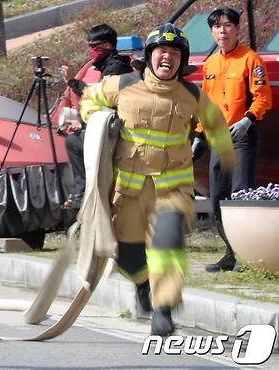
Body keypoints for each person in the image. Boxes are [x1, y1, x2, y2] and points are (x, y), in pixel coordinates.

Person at [79, 23, 234, 336]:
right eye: (162, 51)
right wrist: (97, 121)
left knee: (167, 246)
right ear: (149, 56)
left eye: (175, 53)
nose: (168, 57)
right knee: (127, 255)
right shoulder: (121, 84)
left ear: (182, 59)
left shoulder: (191, 94)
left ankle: (163, 310)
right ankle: (142, 283)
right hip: (128, 191)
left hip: (172, 191)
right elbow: (89, 100)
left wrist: (222, 156)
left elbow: (217, 124)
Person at [192, 8, 272, 272]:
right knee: (218, 199)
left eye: (227, 25)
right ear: (212, 32)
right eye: (216, 27)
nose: (222, 31)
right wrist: (199, 134)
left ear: (237, 29)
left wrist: (248, 119)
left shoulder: (251, 60)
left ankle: (247, 257)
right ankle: (230, 254)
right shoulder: (211, 63)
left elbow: (263, 97)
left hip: (242, 137)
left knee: (240, 197)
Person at [55, 24, 133, 209]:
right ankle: (84, 192)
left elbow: (100, 95)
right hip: (105, 124)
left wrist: (73, 82)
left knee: (74, 143)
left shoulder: (116, 67)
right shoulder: (105, 66)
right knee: (74, 140)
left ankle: (82, 193)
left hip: (119, 129)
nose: (92, 50)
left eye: (95, 46)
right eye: (90, 46)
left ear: (108, 45)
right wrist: (81, 124)